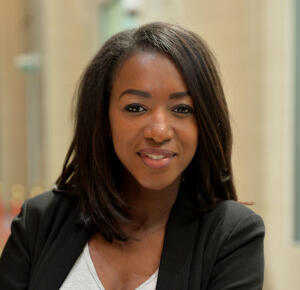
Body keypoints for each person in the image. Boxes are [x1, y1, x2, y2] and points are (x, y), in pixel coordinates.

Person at [0, 22, 265, 290]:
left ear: (205, 123)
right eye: (136, 107)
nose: (159, 131)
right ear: (105, 119)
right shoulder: (39, 221)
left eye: (182, 109)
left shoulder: (230, 235)